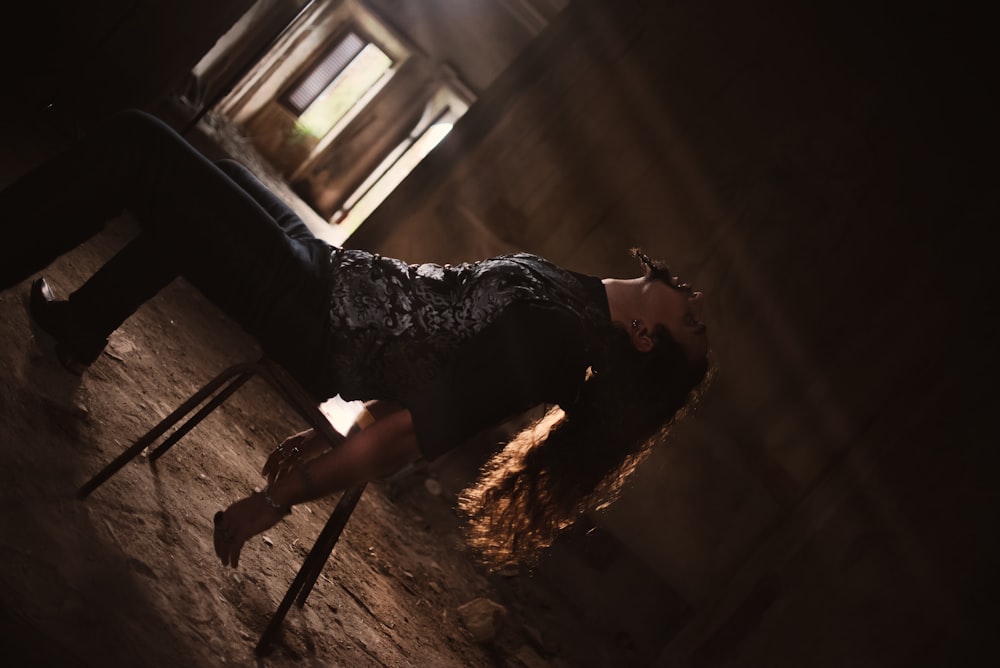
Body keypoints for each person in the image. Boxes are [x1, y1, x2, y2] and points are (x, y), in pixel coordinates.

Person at [0, 109, 711, 572]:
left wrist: (277, 498)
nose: (696, 302)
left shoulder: (562, 339)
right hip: (332, 275)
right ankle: (82, 325)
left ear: (645, 339)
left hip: (313, 313)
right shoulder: (572, 298)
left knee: (139, 147)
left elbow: (416, 427)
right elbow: (438, 355)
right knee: (223, 175)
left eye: (693, 324)